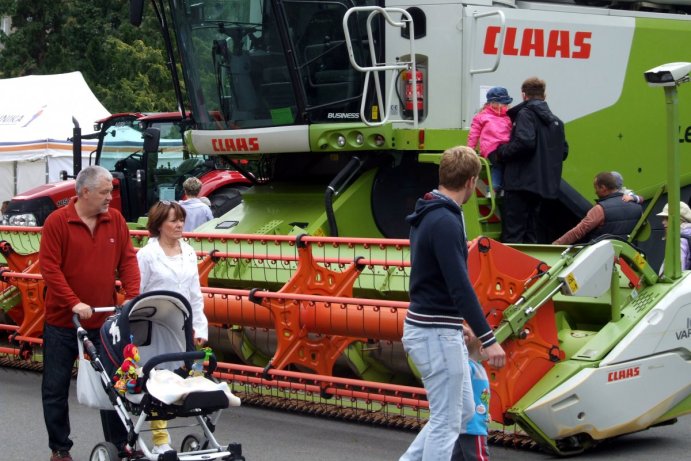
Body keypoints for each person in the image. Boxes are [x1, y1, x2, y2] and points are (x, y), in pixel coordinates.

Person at [399, 146, 506, 461]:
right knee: (448, 422)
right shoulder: (446, 220)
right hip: (436, 336)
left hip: (430, 328)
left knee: (461, 413)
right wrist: (489, 339)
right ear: (472, 181)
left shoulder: (428, 211)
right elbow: (459, 286)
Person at [39, 165, 140, 461]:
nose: (110, 197)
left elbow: (128, 260)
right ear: (84, 192)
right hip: (63, 321)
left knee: (113, 385)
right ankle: (60, 448)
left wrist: (132, 297)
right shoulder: (58, 222)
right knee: (55, 387)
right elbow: (50, 269)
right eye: (105, 192)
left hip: (104, 321)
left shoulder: (116, 220)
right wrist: (73, 302)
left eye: (111, 191)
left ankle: (120, 445)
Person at [136, 200, 209, 454]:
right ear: (159, 225)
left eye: (181, 219)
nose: (179, 225)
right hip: (155, 326)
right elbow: (138, 292)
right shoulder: (146, 255)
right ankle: (160, 440)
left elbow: (195, 292)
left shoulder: (188, 251)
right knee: (158, 379)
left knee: (184, 378)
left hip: (183, 325)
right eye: (173, 220)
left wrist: (200, 326)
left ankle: (194, 430)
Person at [489, 77, 569, 243]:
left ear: (524, 95)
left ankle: (512, 268)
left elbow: (524, 142)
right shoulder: (556, 122)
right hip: (542, 186)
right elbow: (564, 151)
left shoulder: (525, 114)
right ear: (544, 95)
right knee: (531, 233)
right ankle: (531, 268)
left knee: (513, 234)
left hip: (519, 184)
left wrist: (500, 152)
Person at [553, 171, 642, 245]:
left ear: (603, 188)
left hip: (603, 257)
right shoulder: (637, 207)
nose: (595, 192)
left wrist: (555, 245)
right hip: (626, 257)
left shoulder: (600, 209)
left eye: (596, 188)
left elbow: (578, 232)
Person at [452, 325, 491, 461]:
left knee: (457, 457)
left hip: (470, 423)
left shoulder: (477, 367)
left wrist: (486, 412)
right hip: (473, 426)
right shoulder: (469, 367)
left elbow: (477, 396)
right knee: (479, 457)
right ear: (482, 350)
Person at [467, 87, 513, 194]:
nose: (506, 106)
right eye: (504, 104)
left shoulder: (508, 116)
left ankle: (498, 188)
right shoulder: (482, 116)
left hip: (505, 146)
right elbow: (474, 134)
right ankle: (494, 188)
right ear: (494, 103)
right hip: (491, 147)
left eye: (507, 104)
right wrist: (470, 149)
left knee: (503, 166)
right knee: (499, 165)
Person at [656, 201, 691, 273]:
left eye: (667, 218)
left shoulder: (680, 240)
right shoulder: (687, 234)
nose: (663, 222)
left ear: (680, 220)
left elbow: (674, 273)